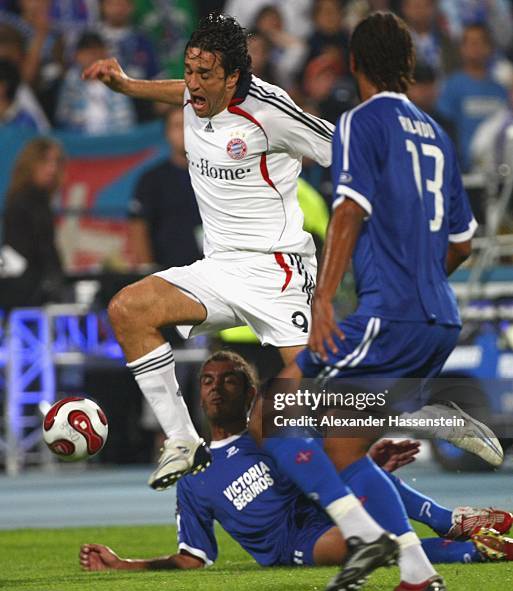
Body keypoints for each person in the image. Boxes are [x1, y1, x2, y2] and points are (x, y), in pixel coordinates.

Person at [247, 11, 500, 591]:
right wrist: (423, 286)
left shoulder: (359, 120)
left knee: (272, 411)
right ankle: (416, 571)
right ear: (409, 65)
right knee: (342, 444)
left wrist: (325, 297)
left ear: (355, 64)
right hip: (440, 316)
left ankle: (364, 535)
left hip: (389, 315)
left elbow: (348, 209)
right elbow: (463, 240)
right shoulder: (437, 131)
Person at [82, 13, 333, 490]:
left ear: (233, 77)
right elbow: (176, 89)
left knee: (322, 398)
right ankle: (182, 440)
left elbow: (342, 146)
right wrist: (128, 85)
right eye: (189, 71)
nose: (191, 85)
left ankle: (425, 418)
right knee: (128, 309)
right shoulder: (196, 92)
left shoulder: (270, 111)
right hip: (219, 267)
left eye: (204, 75)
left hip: (277, 270)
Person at [79, 351, 513, 573]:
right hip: (293, 543)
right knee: (366, 543)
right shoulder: (194, 474)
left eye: (229, 381)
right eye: (208, 382)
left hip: (319, 508)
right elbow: (195, 557)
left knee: (343, 451)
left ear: (249, 394)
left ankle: (446, 517)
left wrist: (363, 457)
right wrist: (123, 563)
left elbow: (324, 463)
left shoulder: (265, 434)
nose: (215, 389)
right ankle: (471, 551)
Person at [127, 105, 202, 269]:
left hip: (213, 274)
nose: (183, 132)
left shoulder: (217, 176)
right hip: (167, 277)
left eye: (188, 125)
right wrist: (148, 273)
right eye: (176, 126)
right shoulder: (151, 180)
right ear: (167, 134)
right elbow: (138, 228)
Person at [1, 137, 66, 309]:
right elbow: (21, 252)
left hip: (35, 287)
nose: (52, 169)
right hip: (25, 292)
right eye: (45, 161)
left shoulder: (42, 202)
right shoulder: (22, 202)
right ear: (31, 164)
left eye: (57, 162)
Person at [436, 23, 508, 171]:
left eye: (480, 42)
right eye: (470, 42)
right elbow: (444, 128)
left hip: (498, 170)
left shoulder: (500, 90)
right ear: (461, 48)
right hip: (465, 170)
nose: (475, 47)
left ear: (490, 47)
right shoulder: (451, 86)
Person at [56, 31, 136, 133]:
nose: (94, 55)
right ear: (77, 55)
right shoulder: (70, 82)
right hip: (81, 144)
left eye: (98, 49)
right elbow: (62, 121)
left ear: (105, 52)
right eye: (88, 50)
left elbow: (126, 120)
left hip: (115, 142)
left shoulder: (117, 79)